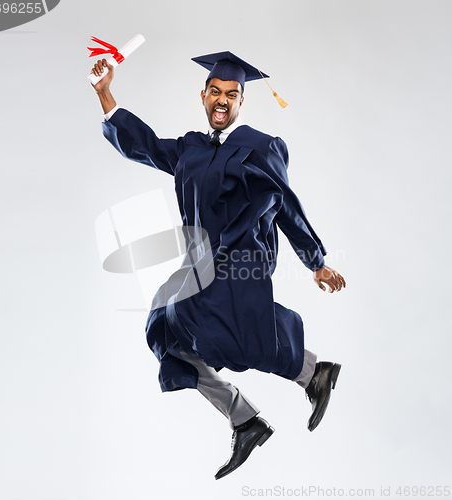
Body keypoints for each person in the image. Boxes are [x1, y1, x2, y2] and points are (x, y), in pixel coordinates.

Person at [91, 51, 346, 480]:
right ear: (203, 96)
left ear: (242, 101)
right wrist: (105, 94)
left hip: (243, 256)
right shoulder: (191, 149)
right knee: (164, 325)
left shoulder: (261, 146)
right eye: (215, 92)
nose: (222, 100)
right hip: (201, 261)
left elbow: (285, 203)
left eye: (231, 93)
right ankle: (247, 416)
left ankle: (311, 371)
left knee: (215, 321)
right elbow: (146, 145)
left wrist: (315, 261)